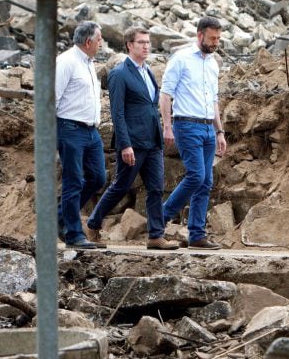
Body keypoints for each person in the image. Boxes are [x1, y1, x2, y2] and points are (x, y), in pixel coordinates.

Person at [86, 27, 179, 250]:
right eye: (141, 42)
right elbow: (117, 113)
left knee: (156, 188)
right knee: (121, 185)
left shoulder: (148, 72)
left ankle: (156, 236)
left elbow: (150, 104)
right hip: (133, 142)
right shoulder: (119, 74)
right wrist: (125, 144)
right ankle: (93, 223)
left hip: (153, 140)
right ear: (129, 45)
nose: (146, 46)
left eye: (148, 42)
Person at [160, 17, 227, 249]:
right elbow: (166, 94)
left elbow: (214, 100)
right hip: (186, 124)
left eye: (218, 38)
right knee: (196, 175)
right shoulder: (181, 59)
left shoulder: (213, 64)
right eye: (212, 38)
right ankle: (160, 218)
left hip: (208, 126)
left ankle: (197, 234)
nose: (215, 42)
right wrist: (167, 127)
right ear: (199, 35)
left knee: (206, 181)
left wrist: (219, 131)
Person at [55, 21, 107, 249]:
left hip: (90, 130)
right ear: (88, 42)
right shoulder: (66, 62)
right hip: (70, 128)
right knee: (73, 180)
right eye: (99, 39)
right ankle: (74, 234)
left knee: (98, 177)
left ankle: (60, 217)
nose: (102, 43)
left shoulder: (88, 62)